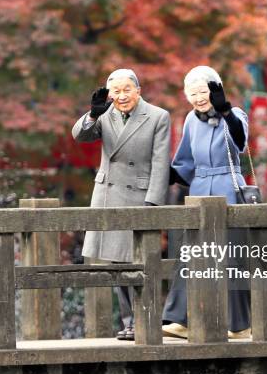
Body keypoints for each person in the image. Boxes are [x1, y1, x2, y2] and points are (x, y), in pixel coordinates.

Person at [72, 69, 171, 341]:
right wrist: (92, 114)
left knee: (140, 261)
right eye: (116, 91)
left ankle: (144, 319)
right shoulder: (105, 114)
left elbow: (161, 162)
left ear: (138, 90)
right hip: (109, 195)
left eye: (127, 89)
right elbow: (80, 136)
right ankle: (128, 321)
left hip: (139, 195)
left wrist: (153, 201)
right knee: (116, 262)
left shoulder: (157, 116)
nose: (121, 96)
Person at [163, 65, 251, 340]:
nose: (198, 98)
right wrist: (159, 173)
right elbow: (184, 164)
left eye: (203, 91)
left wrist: (225, 111)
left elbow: (240, 142)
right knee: (190, 255)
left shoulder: (234, 115)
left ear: (215, 90)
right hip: (200, 189)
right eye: (192, 93)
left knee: (231, 258)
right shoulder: (190, 120)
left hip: (229, 186)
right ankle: (180, 320)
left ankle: (239, 326)